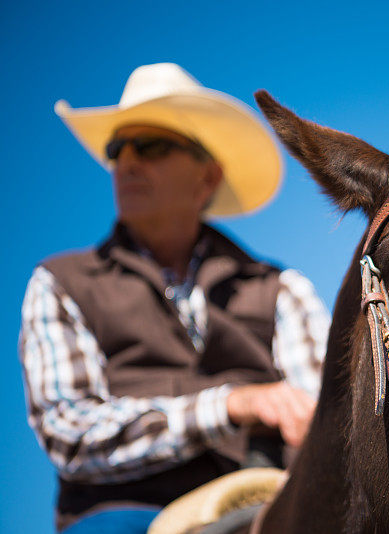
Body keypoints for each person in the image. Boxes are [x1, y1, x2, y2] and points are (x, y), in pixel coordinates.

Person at [19, 63, 330, 533]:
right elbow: (71, 432)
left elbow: (327, 417)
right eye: (117, 149)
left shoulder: (281, 288)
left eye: (151, 145)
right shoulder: (61, 282)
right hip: (123, 516)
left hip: (272, 505)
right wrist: (230, 406)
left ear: (207, 177)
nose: (127, 163)